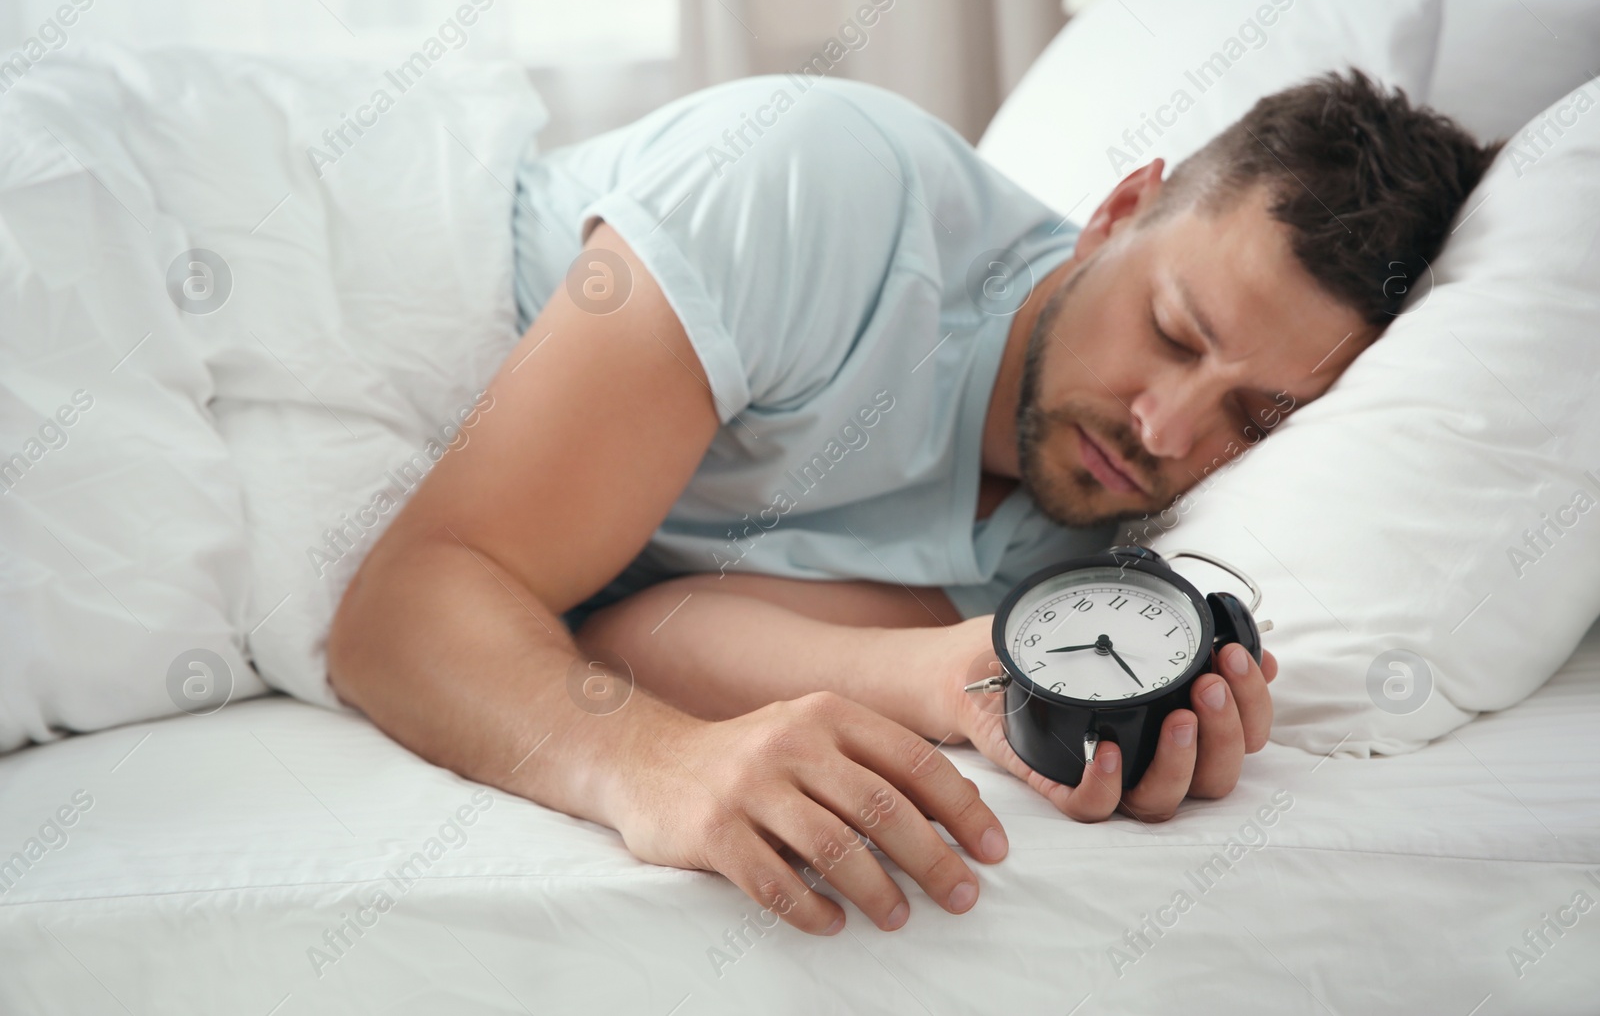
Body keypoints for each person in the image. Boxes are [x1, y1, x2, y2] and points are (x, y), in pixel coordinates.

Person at [326, 69, 1498, 937]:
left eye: (1253, 418)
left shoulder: (1078, 523)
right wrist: (654, 768)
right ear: (1119, 209)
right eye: (1172, 331)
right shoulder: (816, 186)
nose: (1165, 431)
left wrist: (957, 673)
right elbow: (404, 610)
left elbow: (634, 628)